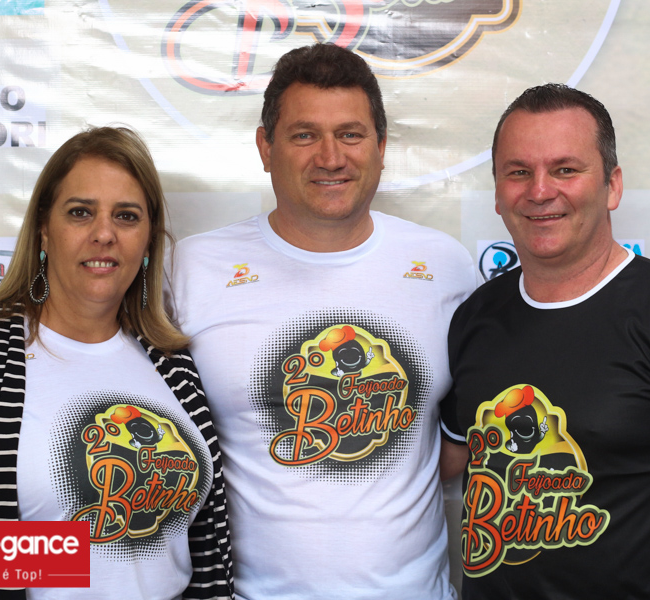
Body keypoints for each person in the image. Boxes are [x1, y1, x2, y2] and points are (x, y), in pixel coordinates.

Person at [166, 43, 477, 600]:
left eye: (350, 134)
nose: (331, 157)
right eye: (304, 135)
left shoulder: (445, 267)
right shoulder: (192, 270)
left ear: (382, 147)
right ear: (266, 147)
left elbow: (466, 436)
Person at [440, 83, 650, 599]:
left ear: (612, 186)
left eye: (565, 170)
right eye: (518, 172)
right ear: (498, 193)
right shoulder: (473, 318)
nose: (540, 191)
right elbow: (441, 464)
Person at [0, 126, 233, 599]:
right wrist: (63, 554)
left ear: (148, 241)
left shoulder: (175, 368)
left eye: (127, 216)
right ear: (44, 230)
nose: (104, 234)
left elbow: (202, 552)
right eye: (80, 212)